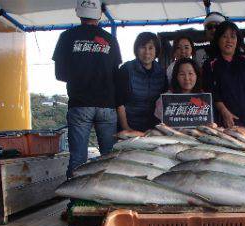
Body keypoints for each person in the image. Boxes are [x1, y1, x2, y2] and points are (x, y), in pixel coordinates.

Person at [53, 0, 121, 178]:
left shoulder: (67, 37)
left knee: (78, 159)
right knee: (109, 158)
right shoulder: (110, 40)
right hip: (107, 106)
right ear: (100, 14)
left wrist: (81, 75)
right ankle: (109, 202)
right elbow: (116, 75)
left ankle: (76, 203)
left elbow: (60, 75)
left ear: (78, 12)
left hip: (79, 104)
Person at [203, 21, 245, 131]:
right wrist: (224, 112)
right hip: (225, 119)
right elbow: (211, 91)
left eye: (233, 36)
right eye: (224, 36)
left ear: (238, 40)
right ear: (218, 39)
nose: (229, 40)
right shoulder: (210, 64)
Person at [117, 32, 168, 132]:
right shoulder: (126, 69)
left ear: (156, 50)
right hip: (129, 126)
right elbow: (119, 102)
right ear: (136, 49)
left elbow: (165, 101)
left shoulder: (161, 72)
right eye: (143, 47)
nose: (147, 52)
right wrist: (126, 128)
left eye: (151, 48)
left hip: (154, 129)